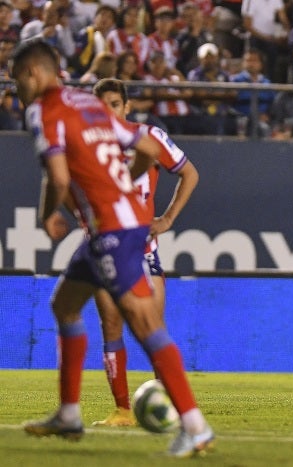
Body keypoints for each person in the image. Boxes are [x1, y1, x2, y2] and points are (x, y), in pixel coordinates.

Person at [14, 40, 214, 456]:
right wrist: (127, 183)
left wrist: (48, 214)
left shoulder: (45, 111)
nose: (17, 91)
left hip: (113, 232)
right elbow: (147, 146)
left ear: (32, 73)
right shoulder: (89, 105)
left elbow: (59, 178)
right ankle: (69, 413)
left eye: (17, 81)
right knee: (65, 306)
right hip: (113, 229)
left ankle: (195, 427)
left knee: (144, 324)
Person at [91, 77, 200, 427]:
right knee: (110, 322)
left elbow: (190, 173)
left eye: (113, 103)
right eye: (100, 105)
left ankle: (171, 405)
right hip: (105, 247)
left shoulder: (149, 137)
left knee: (153, 328)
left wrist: (167, 218)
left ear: (126, 107)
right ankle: (122, 410)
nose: (107, 111)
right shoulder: (88, 144)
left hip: (143, 248)